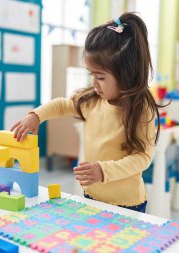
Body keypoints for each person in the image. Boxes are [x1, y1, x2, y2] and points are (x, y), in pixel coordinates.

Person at [11, 12, 162, 213]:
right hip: (91, 196)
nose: (94, 83)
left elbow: (142, 158)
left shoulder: (140, 110)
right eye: (92, 74)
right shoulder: (93, 100)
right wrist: (36, 115)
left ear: (126, 74)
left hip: (127, 204)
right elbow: (62, 105)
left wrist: (104, 171)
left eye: (100, 77)